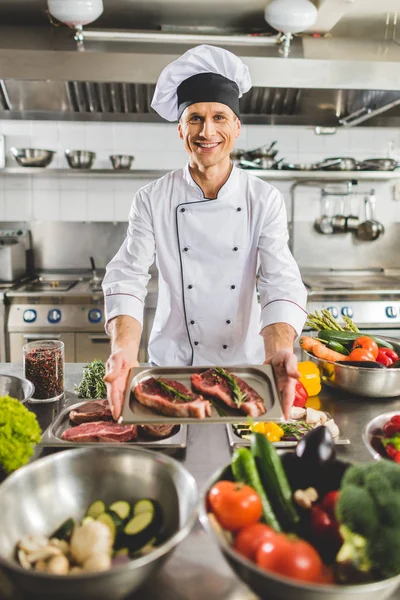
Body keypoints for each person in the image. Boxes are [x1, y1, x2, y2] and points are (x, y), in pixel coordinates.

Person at [103, 44, 307, 421]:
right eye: (195, 118)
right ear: (180, 128)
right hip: (172, 368)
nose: (207, 131)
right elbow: (127, 277)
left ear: (237, 127)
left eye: (219, 117)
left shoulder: (264, 199)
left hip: (245, 369)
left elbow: (280, 281)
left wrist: (279, 350)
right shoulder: (152, 199)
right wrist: (124, 350)